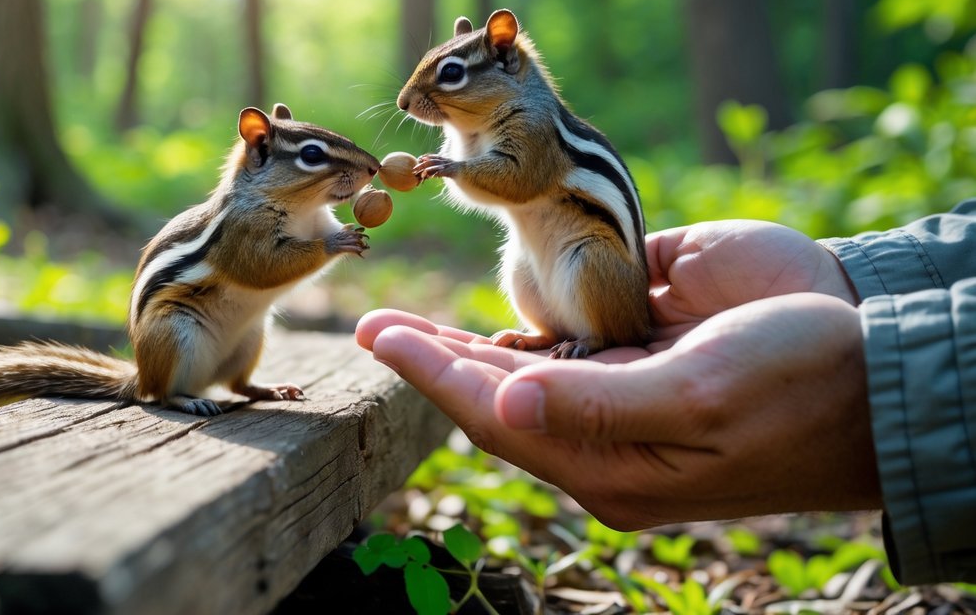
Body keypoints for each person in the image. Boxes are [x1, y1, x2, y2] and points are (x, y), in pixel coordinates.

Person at [355, 200, 976, 585]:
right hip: (564, 266)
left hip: (589, 262)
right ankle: (564, 330)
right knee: (519, 265)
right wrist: (847, 282)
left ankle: (593, 331)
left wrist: (875, 388)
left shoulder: (529, 133)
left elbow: (519, 176)